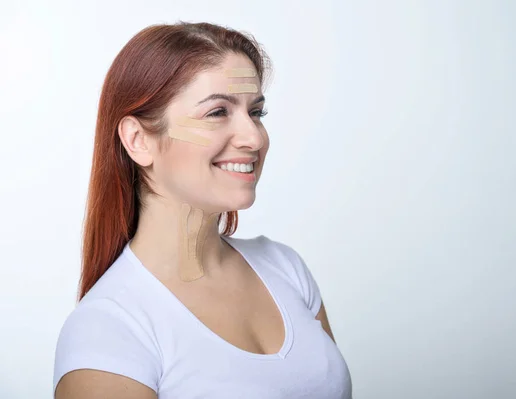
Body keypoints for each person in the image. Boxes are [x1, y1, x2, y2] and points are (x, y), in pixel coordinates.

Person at [52, 22, 352, 399]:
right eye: (217, 112)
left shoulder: (286, 269)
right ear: (138, 140)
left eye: (255, 112)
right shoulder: (108, 332)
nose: (254, 137)